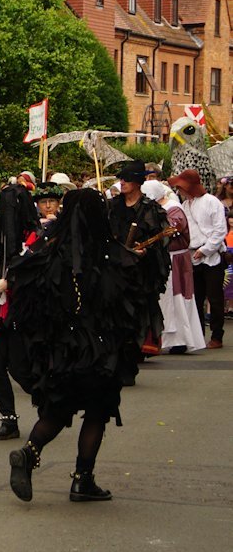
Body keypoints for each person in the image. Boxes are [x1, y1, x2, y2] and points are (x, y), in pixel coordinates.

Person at [6, 189, 140, 503]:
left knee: (56, 410)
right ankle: (82, 480)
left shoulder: (48, 252)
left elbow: (29, 301)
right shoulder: (108, 256)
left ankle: (29, 452)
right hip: (98, 350)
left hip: (60, 349)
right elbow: (127, 305)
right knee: (96, 412)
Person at [0, 184, 40, 440]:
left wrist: (10, 282)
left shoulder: (35, 236)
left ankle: (50, 403)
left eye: (1, 206)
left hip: (21, 311)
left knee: (20, 368)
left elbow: (33, 271)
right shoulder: (1, 232)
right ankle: (8, 419)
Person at [107, 160, 170, 384]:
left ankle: (129, 365)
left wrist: (146, 251)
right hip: (115, 271)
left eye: (126, 179)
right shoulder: (112, 206)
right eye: (120, 179)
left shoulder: (149, 209)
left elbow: (161, 240)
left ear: (137, 182)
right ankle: (112, 365)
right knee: (113, 318)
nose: (121, 182)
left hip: (140, 274)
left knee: (135, 318)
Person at [141, 181, 204, 354]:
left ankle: (180, 339)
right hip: (163, 258)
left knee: (177, 300)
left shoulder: (173, 208)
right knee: (165, 300)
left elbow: (172, 229)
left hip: (175, 259)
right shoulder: (154, 209)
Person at [173, 169, 227, 349]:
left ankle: (217, 335)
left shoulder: (212, 202)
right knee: (195, 298)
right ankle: (198, 336)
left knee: (215, 297)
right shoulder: (185, 205)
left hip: (211, 255)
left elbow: (220, 230)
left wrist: (205, 249)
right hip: (192, 254)